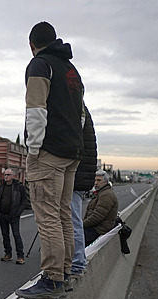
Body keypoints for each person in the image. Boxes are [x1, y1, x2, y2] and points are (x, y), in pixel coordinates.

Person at [16, 21, 84, 299]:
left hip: (49, 152)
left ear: (31, 44)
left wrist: (33, 150)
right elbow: (81, 115)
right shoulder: (71, 70)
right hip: (72, 152)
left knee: (47, 217)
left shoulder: (39, 65)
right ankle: (65, 272)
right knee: (63, 213)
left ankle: (52, 278)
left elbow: (35, 110)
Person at [71, 106, 98, 277]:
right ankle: (76, 262)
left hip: (75, 176)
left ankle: (76, 264)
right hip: (80, 176)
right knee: (73, 221)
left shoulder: (76, 109)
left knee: (72, 222)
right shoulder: (82, 111)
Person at [0, 168, 28, 264]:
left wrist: (18, 212)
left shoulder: (19, 187)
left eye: (8, 175)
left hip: (14, 215)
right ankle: (8, 254)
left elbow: (24, 201)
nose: (6, 177)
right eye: (5, 175)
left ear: (13, 176)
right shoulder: (2, 187)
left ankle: (20, 256)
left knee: (16, 234)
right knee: (5, 235)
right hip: (3, 215)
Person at [83, 170, 118, 246]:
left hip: (98, 230)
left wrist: (81, 224)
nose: (96, 183)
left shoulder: (106, 195)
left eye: (99, 180)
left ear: (106, 181)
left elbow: (96, 217)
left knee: (74, 240)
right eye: (95, 180)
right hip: (95, 228)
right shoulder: (101, 193)